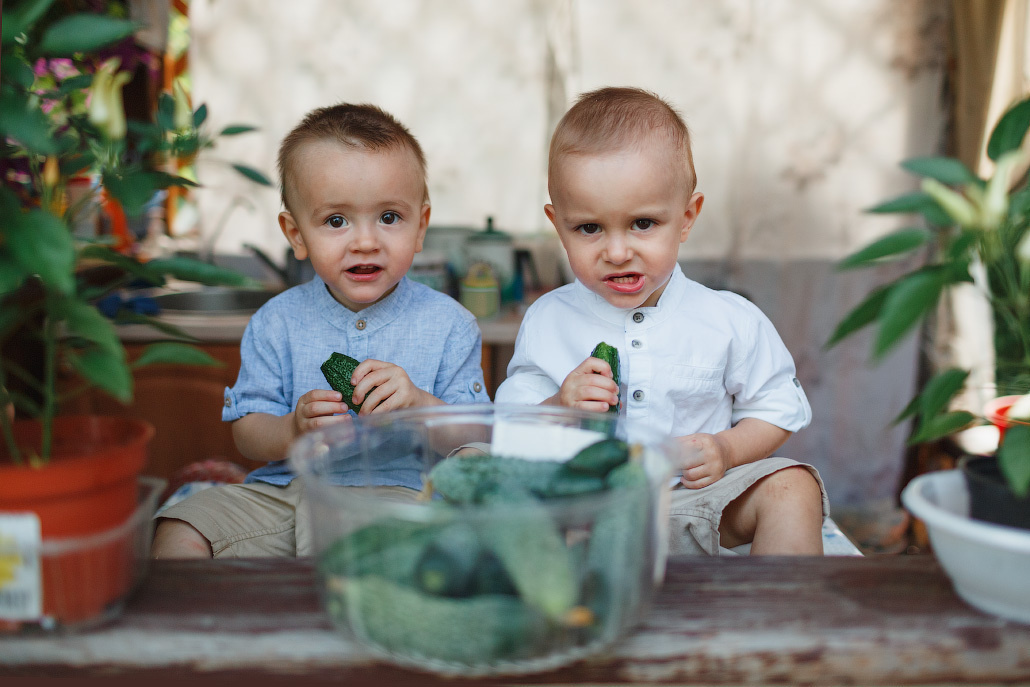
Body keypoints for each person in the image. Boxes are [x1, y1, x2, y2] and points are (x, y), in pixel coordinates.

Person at [495, 87, 827, 555]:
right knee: (506, 506)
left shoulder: (726, 319)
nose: (616, 251)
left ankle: (779, 618)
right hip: (585, 514)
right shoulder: (549, 320)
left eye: (643, 224)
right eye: (589, 228)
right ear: (558, 224)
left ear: (687, 217)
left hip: (695, 502)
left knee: (793, 486)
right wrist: (558, 405)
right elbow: (509, 429)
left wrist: (727, 450)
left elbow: (778, 407)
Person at [152, 103, 490, 558]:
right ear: (296, 235)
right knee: (180, 527)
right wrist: (292, 429)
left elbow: (478, 436)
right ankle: (212, 628)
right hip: (285, 492)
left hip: (397, 494)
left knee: (389, 551)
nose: (365, 241)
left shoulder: (450, 324)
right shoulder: (275, 321)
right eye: (336, 221)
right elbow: (247, 430)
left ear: (420, 226)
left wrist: (419, 405)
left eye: (389, 217)